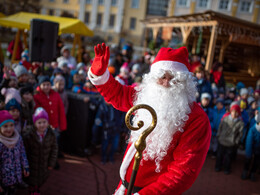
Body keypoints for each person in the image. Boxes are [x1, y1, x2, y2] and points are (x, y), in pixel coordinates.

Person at [88, 43, 211, 194]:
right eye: (162, 77)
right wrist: (100, 75)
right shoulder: (147, 95)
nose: (166, 83)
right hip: (124, 187)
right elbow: (118, 94)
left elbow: (183, 172)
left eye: (174, 78)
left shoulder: (197, 119)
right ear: (153, 78)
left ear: (184, 81)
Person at [23, 107, 58, 194]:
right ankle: (32, 189)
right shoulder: (29, 135)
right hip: (32, 165)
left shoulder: (51, 134)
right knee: (32, 180)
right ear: (35, 123)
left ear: (48, 122)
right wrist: (25, 165)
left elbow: (54, 149)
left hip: (44, 164)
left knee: (41, 179)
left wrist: (51, 163)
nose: (42, 125)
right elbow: (24, 151)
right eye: (39, 122)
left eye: (44, 122)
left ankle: (36, 188)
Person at [0, 110, 29, 194]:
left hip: (16, 175)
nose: (9, 128)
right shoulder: (1, 143)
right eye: (5, 126)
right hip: (4, 180)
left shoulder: (18, 138)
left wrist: (25, 166)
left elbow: (22, 153)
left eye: (11, 125)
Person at [215, 104, 244, 174]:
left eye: (236, 112)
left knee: (228, 157)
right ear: (231, 111)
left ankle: (227, 168)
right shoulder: (225, 118)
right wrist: (218, 135)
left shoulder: (240, 123)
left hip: (231, 143)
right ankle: (218, 166)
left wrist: (236, 141)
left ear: (239, 113)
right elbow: (220, 127)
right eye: (233, 111)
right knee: (219, 155)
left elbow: (240, 134)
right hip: (222, 140)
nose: (234, 113)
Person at [241, 113, 260, 181]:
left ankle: (252, 173)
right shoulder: (252, 130)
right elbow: (249, 143)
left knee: (256, 162)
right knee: (248, 161)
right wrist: (248, 153)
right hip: (251, 148)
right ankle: (245, 171)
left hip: (258, 150)